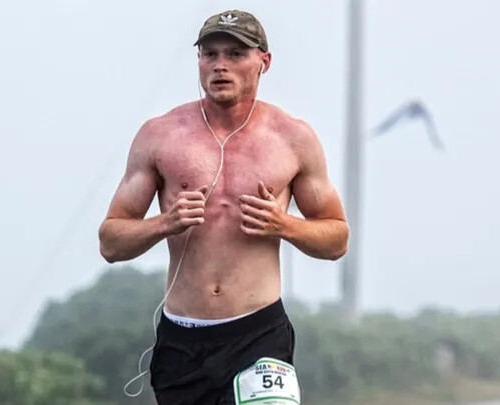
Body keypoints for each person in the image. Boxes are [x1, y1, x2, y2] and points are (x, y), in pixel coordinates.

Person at [98, 9, 349, 405]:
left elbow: (337, 240)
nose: (220, 65)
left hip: (259, 336)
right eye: (209, 54)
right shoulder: (159, 136)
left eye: (234, 54)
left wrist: (284, 224)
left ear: (264, 62)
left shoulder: (293, 138)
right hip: (182, 341)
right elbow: (110, 242)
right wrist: (165, 222)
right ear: (198, 59)